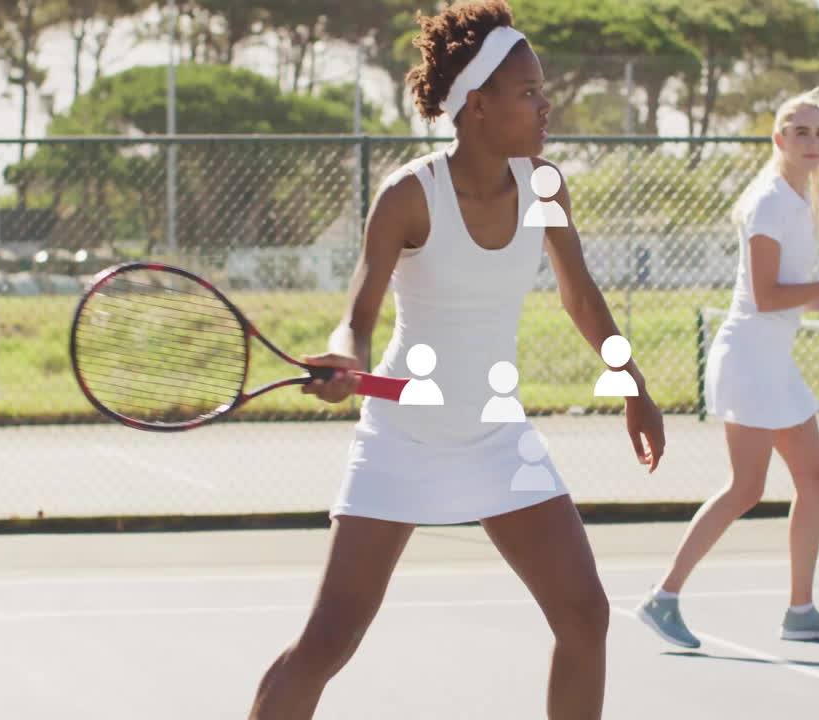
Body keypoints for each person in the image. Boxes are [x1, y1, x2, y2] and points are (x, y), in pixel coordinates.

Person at [247, 2, 666, 718]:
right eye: (529, 91)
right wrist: (344, 361)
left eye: (542, 89)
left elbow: (581, 297)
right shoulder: (408, 196)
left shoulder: (544, 186)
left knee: (585, 617)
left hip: (498, 439)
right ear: (477, 105)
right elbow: (358, 318)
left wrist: (635, 385)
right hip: (402, 443)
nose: (546, 105)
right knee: (328, 643)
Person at [634, 88, 819, 648]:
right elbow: (764, 296)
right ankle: (662, 597)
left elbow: (782, 294)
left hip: (772, 361)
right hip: (749, 358)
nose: (812, 141)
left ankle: (800, 610)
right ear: (779, 140)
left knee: (813, 479)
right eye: (800, 131)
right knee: (746, 487)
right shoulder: (770, 201)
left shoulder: (795, 201)